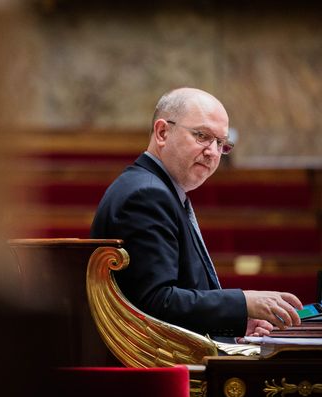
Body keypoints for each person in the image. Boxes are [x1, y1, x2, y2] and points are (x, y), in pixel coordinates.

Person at [90, 87, 302, 339]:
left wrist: (235, 322)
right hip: (155, 373)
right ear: (162, 132)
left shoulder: (159, 189)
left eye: (221, 143)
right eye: (202, 136)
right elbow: (155, 303)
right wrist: (243, 303)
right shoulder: (146, 195)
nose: (213, 151)